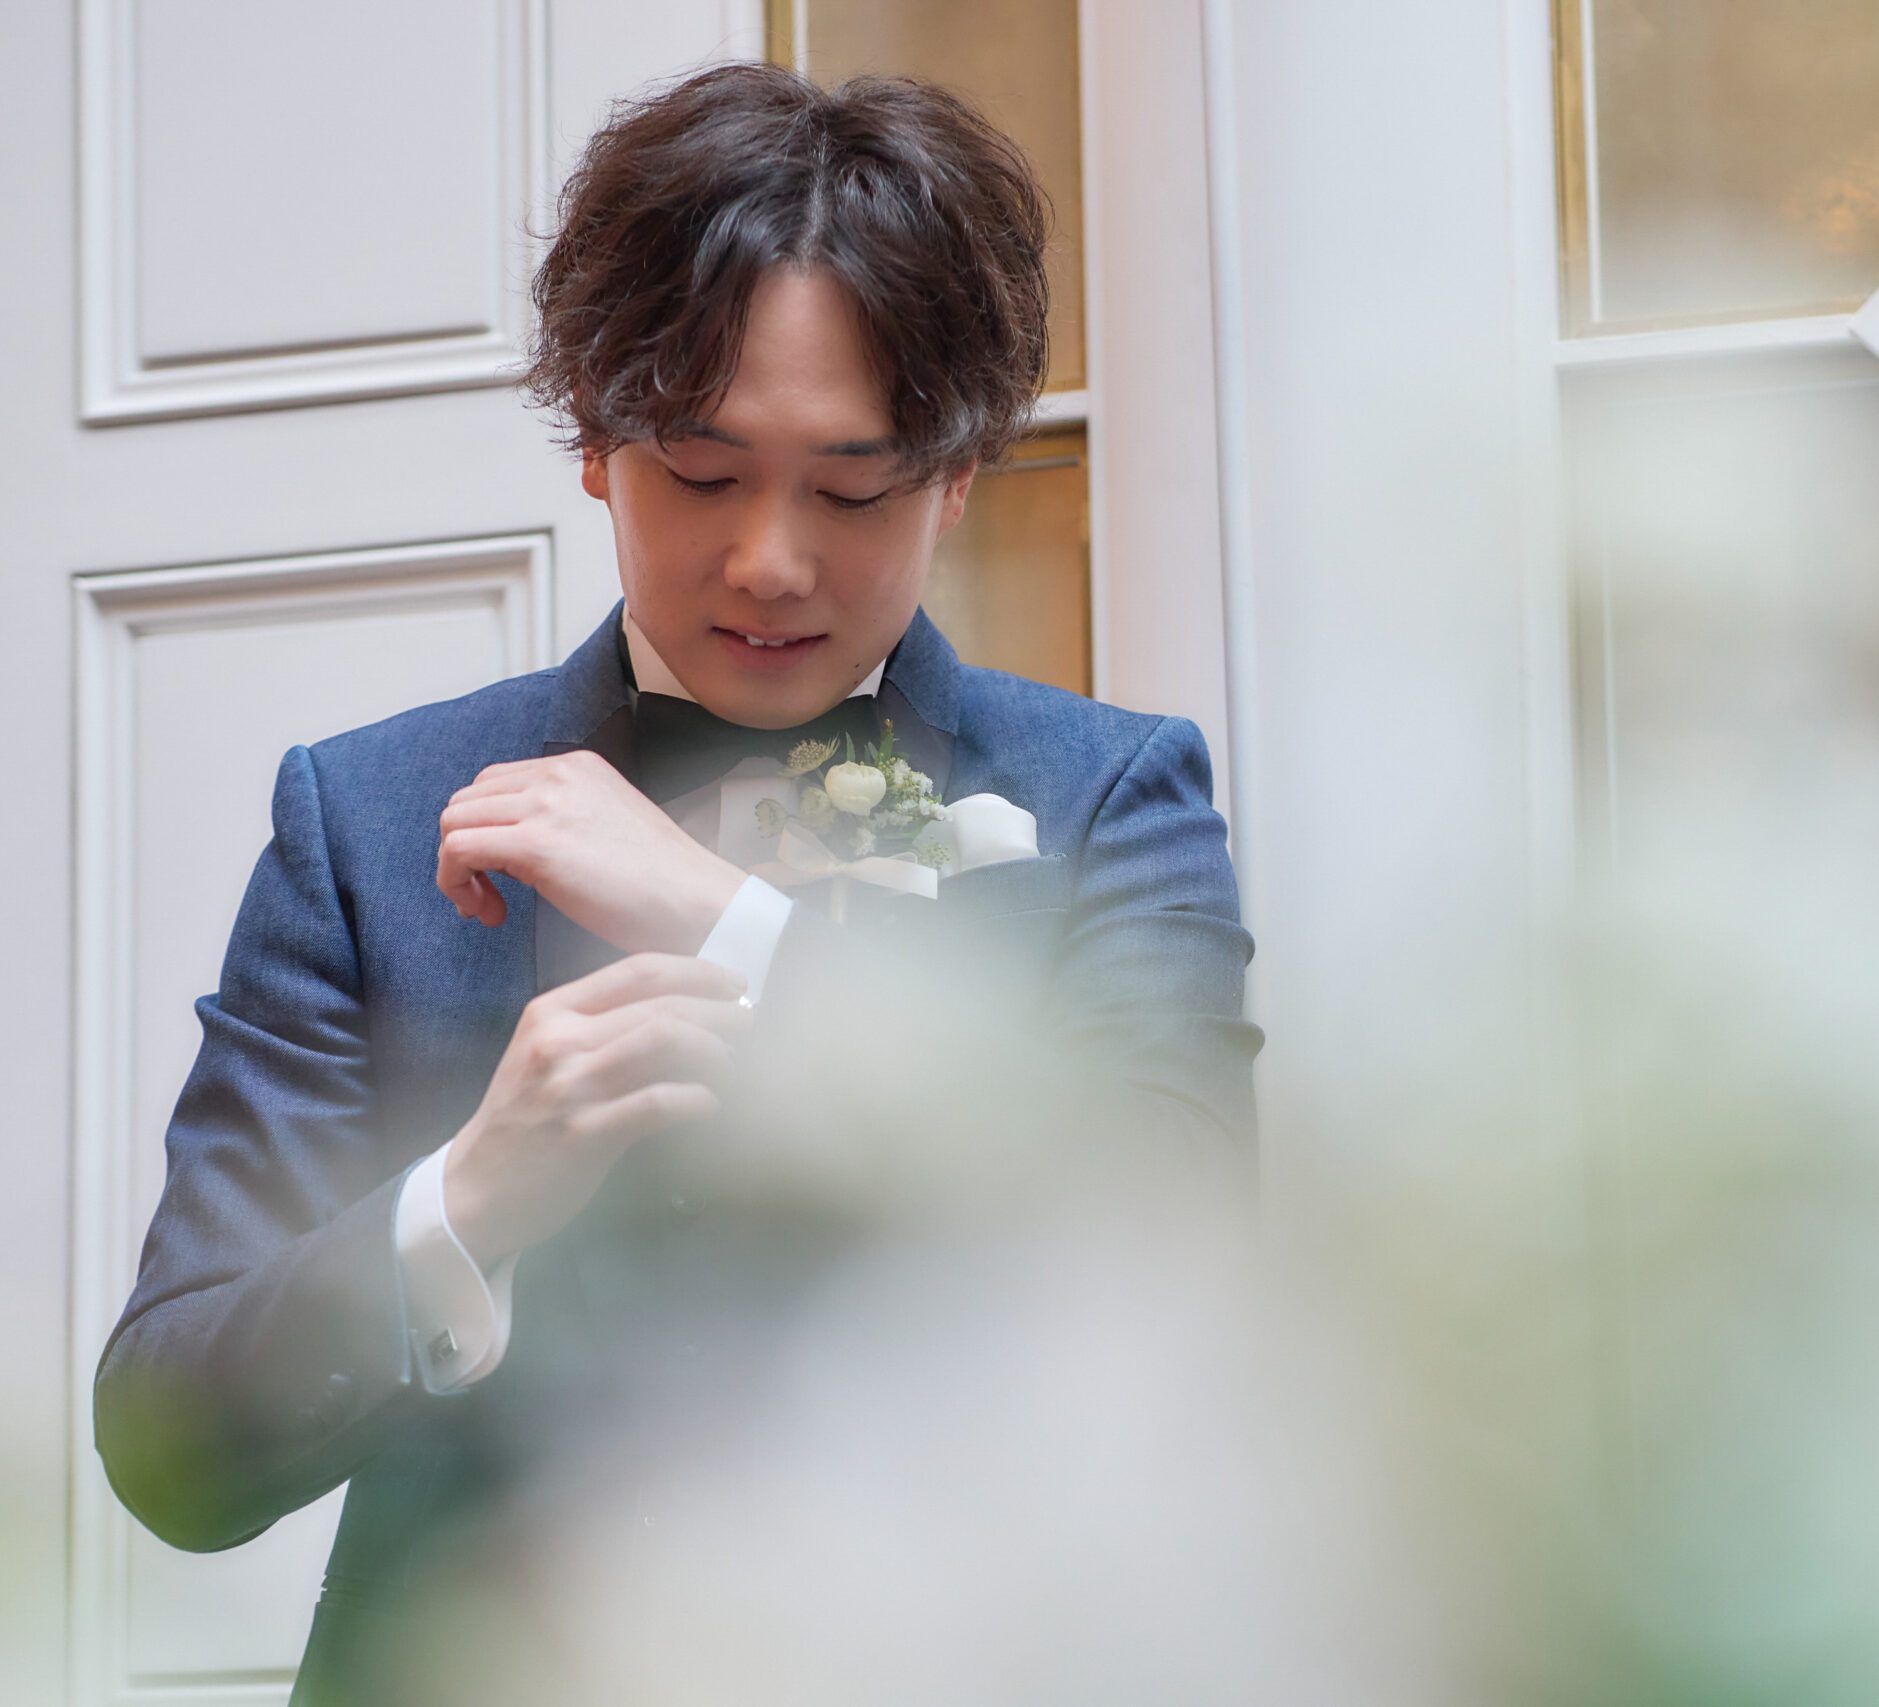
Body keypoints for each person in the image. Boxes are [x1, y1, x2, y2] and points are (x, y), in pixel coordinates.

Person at [93, 64, 1257, 1704]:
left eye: (852, 488)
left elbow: (1179, 1282)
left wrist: (734, 929)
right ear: (594, 439)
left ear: (956, 474)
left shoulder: (1112, 798)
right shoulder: (362, 821)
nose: (770, 560)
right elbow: (169, 1451)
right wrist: (463, 1203)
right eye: (704, 474)